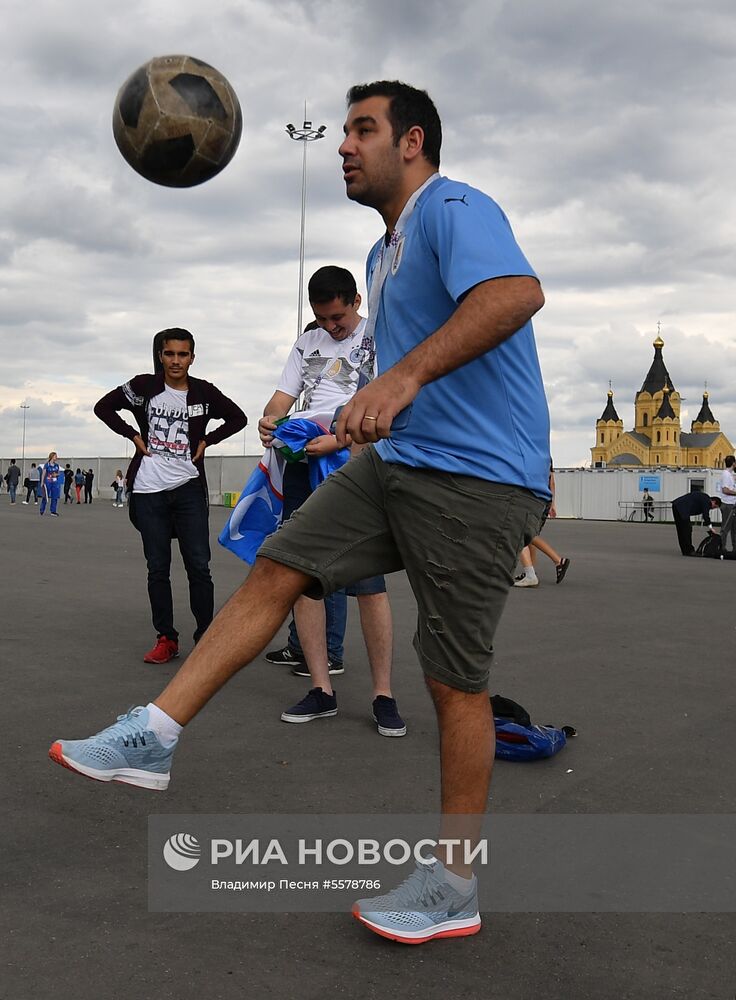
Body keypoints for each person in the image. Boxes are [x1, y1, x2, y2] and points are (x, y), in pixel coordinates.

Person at [49, 82, 550, 944]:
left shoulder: (454, 207)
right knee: (281, 561)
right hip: (397, 462)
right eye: (345, 131)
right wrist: (341, 428)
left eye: (363, 130)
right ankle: (155, 734)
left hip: (480, 482)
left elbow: (514, 296)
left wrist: (401, 377)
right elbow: (399, 384)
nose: (346, 146)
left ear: (414, 142)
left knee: (455, 681)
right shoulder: (379, 255)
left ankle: (453, 884)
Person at [259, 265, 405, 736]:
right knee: (304, 574)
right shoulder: (309, 343)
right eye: (322, 319)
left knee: (369, 583)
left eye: (338, 318)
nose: (331, 327)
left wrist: (339, 443)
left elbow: (387, 409)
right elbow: (284, 396)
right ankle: (322, 688)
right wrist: (269, 419)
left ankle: (384, 694)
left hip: (357, 462)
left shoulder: (381, 337)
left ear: (357, 302)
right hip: (305, 457)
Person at [91, 327, 246, 662]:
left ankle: (206, 637)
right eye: (170, 354)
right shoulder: (144, 387)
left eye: (183, 354)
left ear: (192, 357)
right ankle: (166, 638)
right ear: (160, 355)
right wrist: (132, 434)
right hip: (149, 491)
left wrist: (207, 441)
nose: (176, 361)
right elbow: (103, 407)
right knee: (157, 568)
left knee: (199, 566)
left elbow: (239, 418)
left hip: (189, 488)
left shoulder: (204, 392)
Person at [513, 463, 569, 587]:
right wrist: (552, 503)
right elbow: (552, 481)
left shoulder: (530, 453)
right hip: (543, 500)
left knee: (521, 534)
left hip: (533, 499)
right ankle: (531, 571)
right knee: (530, 536)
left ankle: (557, 561)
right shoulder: (545, 456)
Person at [671, 490, 721, 555]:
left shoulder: (704, 498)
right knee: (687, 530)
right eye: (714, 507)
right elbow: (706, 515)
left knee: (681, 530)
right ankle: (689, 551)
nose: (712, 508)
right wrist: (711, 528)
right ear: (713, 501)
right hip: (682, 508)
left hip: (676, 505)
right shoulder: (707, 500)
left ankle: (685, 550)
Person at [716, 456, 736, 554]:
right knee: (726, 527)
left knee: (734, 528)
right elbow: (725, 490)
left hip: (732, 504)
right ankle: (721, 547)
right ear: (733, 463)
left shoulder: (730, 474)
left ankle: (734, 548)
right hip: (727, 504)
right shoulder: (725, 475)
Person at [39, 452, 62, 516]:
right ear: (52, 457)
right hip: (48, 482)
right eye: (55, 456)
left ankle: (53, 511)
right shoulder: (47, 465)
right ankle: (42, 510)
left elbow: (59, 473)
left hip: (55, 483)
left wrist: (56, 474)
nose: (56, 457)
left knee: (54, 497)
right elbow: (43, 474)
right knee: (45, 497)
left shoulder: (57, 465)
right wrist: (42, 483)